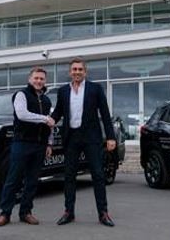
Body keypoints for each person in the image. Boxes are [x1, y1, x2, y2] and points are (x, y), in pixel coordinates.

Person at [51, 57, 117, 227]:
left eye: (80, 69)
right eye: (74, 69)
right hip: (71, 137)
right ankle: (69, 212)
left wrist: (110, 136)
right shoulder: (63, 91)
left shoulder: (95, 89)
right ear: (70, 72)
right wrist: (48, 120)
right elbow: (58, 112)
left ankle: (103, 213)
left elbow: (104, 112)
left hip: (91, 138)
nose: (77, 72)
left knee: (97, 175)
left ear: (85, 72)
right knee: (69, 176)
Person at [0, 66, 55, 227]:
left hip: (39, 146)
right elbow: (22, 114)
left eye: (42, 79)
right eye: (36, 78)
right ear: (30, 79)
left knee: (32, 181)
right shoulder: (21, 95)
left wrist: (49, 143)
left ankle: (26, 212)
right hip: (22, 143)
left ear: (45, 81)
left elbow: (49, 125)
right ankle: (4, 213)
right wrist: (44, 119)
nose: (39, 81)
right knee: (13, 179)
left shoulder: (47, 100)